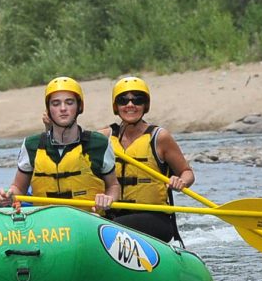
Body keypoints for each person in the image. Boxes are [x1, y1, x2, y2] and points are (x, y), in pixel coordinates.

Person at [11, 77, 121, 214]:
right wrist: (9, 196)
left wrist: (108, 198)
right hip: (45, 223)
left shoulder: (99, 143)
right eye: (56, 104)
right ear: (49, 109)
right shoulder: (31, 145)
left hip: (89, 220)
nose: (63, 109)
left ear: (79, 107)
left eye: (69, 103)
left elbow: (114, 186)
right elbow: (18, 188)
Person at [107, 76, 196, 243]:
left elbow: (187, 172)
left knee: (108, 228)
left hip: (153, 217)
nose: (130, 105)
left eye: (137, 100)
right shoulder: (105, 136)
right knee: (107, 225)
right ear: (116, 106)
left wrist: (181, 182)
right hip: (113, 215)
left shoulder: (159, 137)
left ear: (145, 105)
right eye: (123, 100)